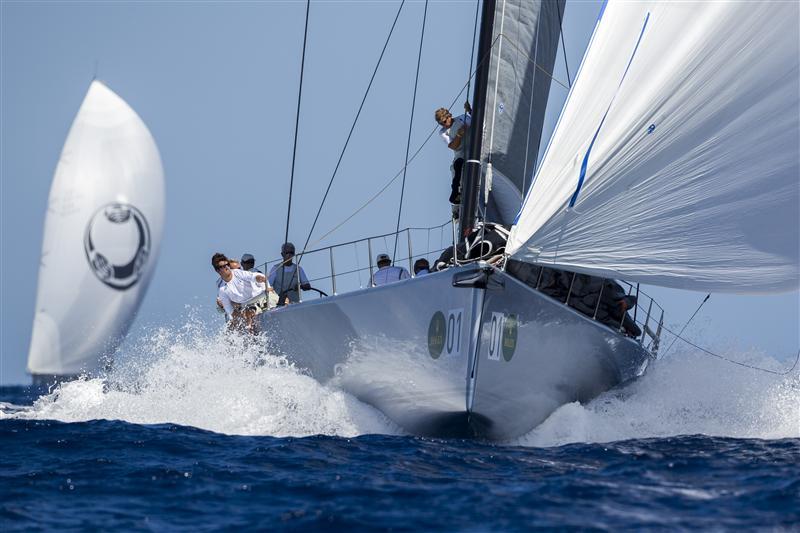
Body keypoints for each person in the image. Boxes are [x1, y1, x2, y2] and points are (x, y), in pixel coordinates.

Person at [212, 252, 273, 333]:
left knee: (249, 314)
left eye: (227, 264)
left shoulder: (238, 273)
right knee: (234, 325)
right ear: (218, 270)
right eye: (222, 266)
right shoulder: (222, 289)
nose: (226, 267)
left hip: (262, 297)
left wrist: (258, 278)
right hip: (246, 306)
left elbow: (251, 276)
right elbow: (230, 310)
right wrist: (240, 317)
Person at [435, 101, 472, 205]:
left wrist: (470, 111)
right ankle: (456, 193)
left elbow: (479, 123)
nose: (443, 124)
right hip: (460, 154)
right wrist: (459, 135)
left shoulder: (462, 118)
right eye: (440, 123)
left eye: (444, 121)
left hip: (474, 148)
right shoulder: (443, 132)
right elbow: (453, 146)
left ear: (449, 116)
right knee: (457, 165)